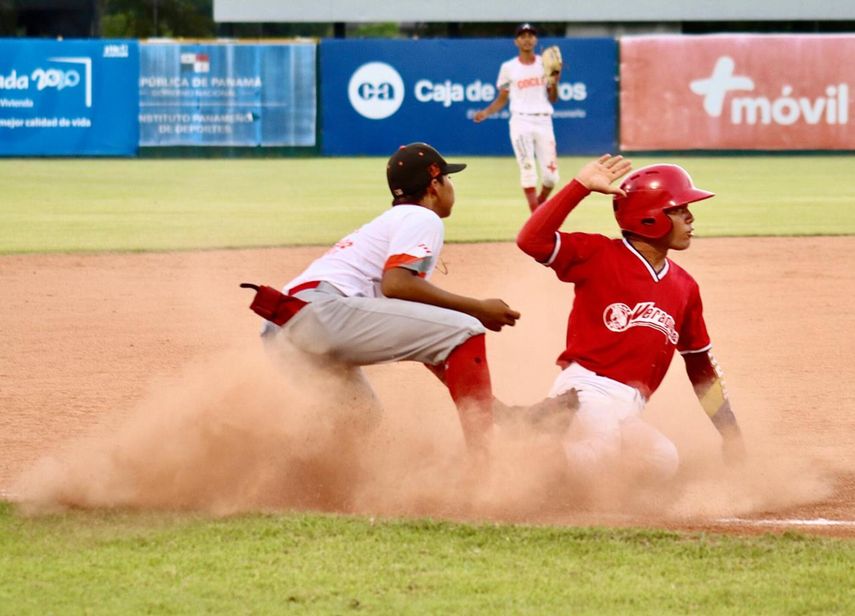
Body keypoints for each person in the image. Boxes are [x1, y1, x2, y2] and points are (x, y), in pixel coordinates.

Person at [245, 142, 520, 455]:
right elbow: (396, 284)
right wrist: (478, 309)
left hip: (282, 329)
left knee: (360, 417)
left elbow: (432, 346)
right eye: (448, 177)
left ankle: (275, 468)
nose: (451, 185)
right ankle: (483, 468)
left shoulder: (391, 224)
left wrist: (504, 414)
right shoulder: (421, 217)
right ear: (434, 184)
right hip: (319, 312)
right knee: (467, 329)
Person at [516, 154, 746, 484]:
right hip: (585, 390)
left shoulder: (685, 286)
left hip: (628, 409)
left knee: (662, 460)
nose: (690, 217)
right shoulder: (599, 255)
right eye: (679, 209)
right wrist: (579, 187)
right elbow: (531, 240)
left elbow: (701, 369)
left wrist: (730, 432)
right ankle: (520, 452)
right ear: (650, 217)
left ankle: (552, 453)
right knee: (601, 457)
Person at [473, 22, 560, 213]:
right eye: (523, 36)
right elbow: (502, 98)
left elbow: (553, 98)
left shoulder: (544, 63)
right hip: (521, 120)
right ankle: (536, 216)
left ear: (535, 40)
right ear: (516, 41)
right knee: (528, 171)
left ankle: (539, 208)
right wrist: (486, 112)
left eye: (530, 35)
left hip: (544, 120)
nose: (527, 39)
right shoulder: (509, 67)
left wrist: (554, 82)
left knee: (551, 177)